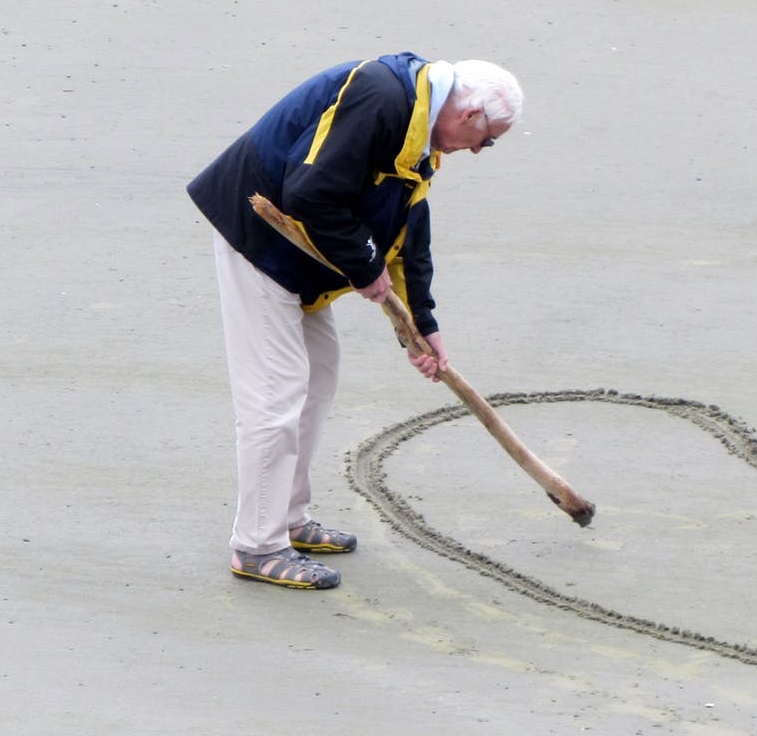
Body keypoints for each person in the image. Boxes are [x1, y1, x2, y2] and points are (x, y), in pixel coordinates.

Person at [187, 53, 521, 590]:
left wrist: (420, 325)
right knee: (276, 395)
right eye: (488, 140)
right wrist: (365, 270)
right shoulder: (382, 97)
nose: (479, 152)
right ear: (470, 114)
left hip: (300, 255)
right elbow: (308, 192)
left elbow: (408, 227)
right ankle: (257, 545)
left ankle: (288, 520)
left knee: (319, 375)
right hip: (258, 239)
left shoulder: (419, 131)